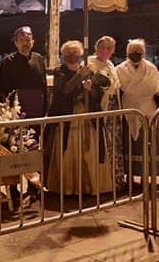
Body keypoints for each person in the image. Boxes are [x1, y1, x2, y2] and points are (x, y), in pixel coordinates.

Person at [45, 41, 114, 195]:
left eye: (75, 53)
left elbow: (97, 94)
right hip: (68, 117)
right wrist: (78, 77)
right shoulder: (60, 71)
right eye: (68, 53)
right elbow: (63, 90)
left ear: (80, 54)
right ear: (63, 55)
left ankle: (88, 184)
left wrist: (90, 90)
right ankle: (68, 186)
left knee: (88, 150)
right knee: (68, 148)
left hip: (86, 115)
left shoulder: (88, 70)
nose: (72, 56)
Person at [0, 26, 47, 203]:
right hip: (16, 115)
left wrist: (45, 109)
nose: (26, 42)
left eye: (29, 38)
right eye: (22, 39)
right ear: (16, 42)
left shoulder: (39, 59)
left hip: (36, 113)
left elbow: (43, 87)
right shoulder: (8, 62)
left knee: (34, 150)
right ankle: (13, 187)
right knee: (14, 151)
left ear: (34, 41)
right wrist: (8, 111)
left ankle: (34, 186)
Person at [116, 39, 159, 178]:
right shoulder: (120, 69)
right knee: (131, 146)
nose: (136, 54)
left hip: (150, 110)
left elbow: (155, 87)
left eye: (139, 52)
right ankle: (131, 178)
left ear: (144, 53)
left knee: (151, 146)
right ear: (127, 53)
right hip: (130, 110)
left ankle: (150, 178)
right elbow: (121, 89)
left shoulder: (151, 67)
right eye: (133, 52)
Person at [87, 35, 124, 189]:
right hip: (98, 108)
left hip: (113, 109)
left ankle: (115, 179)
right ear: (96, 48)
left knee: (114, 144)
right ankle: (102, 182)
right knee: (101, 144)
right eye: (102, 47)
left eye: (109, 48)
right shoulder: (89, 64)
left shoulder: (110, 65)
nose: (105, 51)